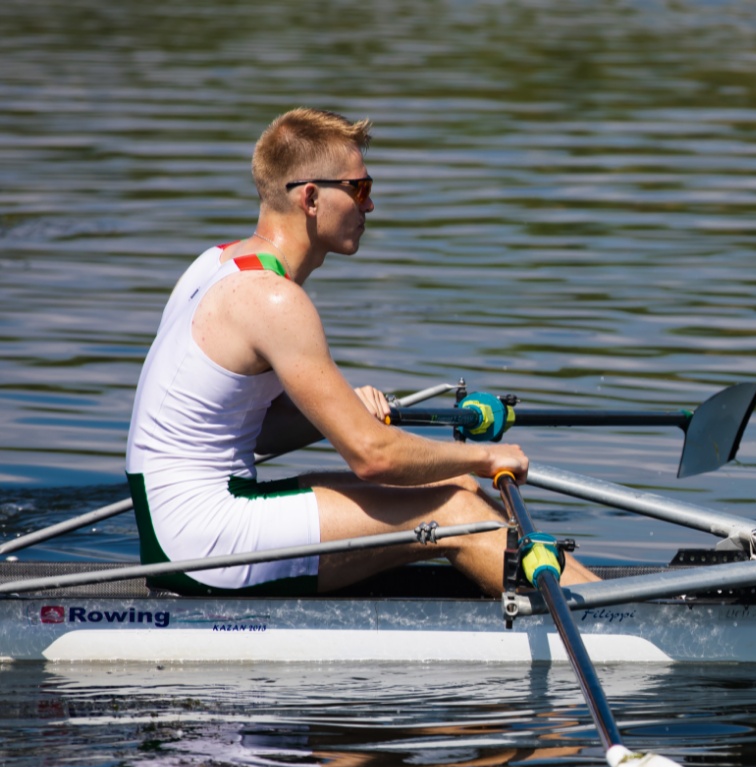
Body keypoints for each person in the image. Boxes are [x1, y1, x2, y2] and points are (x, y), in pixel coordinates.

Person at [124, 107, 597, 596]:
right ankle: (616, 620)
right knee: (457, 511)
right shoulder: (272, 299)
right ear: (311, 197)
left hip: (181, 524)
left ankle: (590, 595)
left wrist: (336, 410)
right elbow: (373, 458)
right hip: (205, 540)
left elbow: (250, 429)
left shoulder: (214, 264)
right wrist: (486, 457)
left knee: (456, 491)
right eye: (360, 189)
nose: (369, 207)